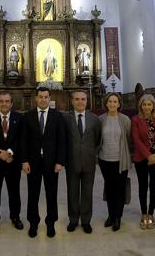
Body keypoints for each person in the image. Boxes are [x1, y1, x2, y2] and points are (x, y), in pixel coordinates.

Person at [20, 87, 66, 238]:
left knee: (51, 194)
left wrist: (60, 161)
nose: (43, 100)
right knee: (33, 194)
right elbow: (24, 140)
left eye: (46, 97)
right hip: (32, 162)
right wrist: (24, 160)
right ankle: (33, 223)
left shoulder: (57, 116)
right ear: (35, 98)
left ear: (49, 98)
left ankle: (51, 223)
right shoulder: (27, 116)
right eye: (40, 97)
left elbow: (61, 141)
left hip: (51, 162)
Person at [63, 90, 101, 234]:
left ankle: (86, 221)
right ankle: (73, 219)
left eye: (83, 99)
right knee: (72, 192)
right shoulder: (65, 118)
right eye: (77, 99)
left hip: (89, 161)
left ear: (87, 101)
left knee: (87, 192)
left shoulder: (94, 119)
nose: (80, 102)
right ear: (72, 101)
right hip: (71, 162)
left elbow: (97, 140)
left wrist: (90, 152)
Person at [0, 91, 24, 232]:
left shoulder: (19, 118)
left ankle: (15, 217)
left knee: (14, 192)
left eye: (7, 101)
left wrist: (10, 152)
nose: (4, 104)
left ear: (11, 103)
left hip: (13, 161)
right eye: (1, 101)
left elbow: (20, 139)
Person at [98, 92, 132, 231]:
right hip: (104, 159)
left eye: (115, 101)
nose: (112, 104)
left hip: (120, 159)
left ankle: (118, 217)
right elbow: (98, 138)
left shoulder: (125, 120)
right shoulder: (101, 119)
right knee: (110, 188)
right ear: (106, 103)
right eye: (110, 101)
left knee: (119, 189)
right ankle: (111, 215)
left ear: (119, 104)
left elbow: (128, 138)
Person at [131, 94, 155, 230]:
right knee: (143, 186)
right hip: (141, 159)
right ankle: (144, 213)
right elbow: (136, 139)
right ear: (140, 106)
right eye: (144, 104)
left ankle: (151, 213)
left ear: (153, 106)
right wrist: (148, 156)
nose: (146, 107)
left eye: (149, 104)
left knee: (154, 186)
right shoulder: (135, 120)